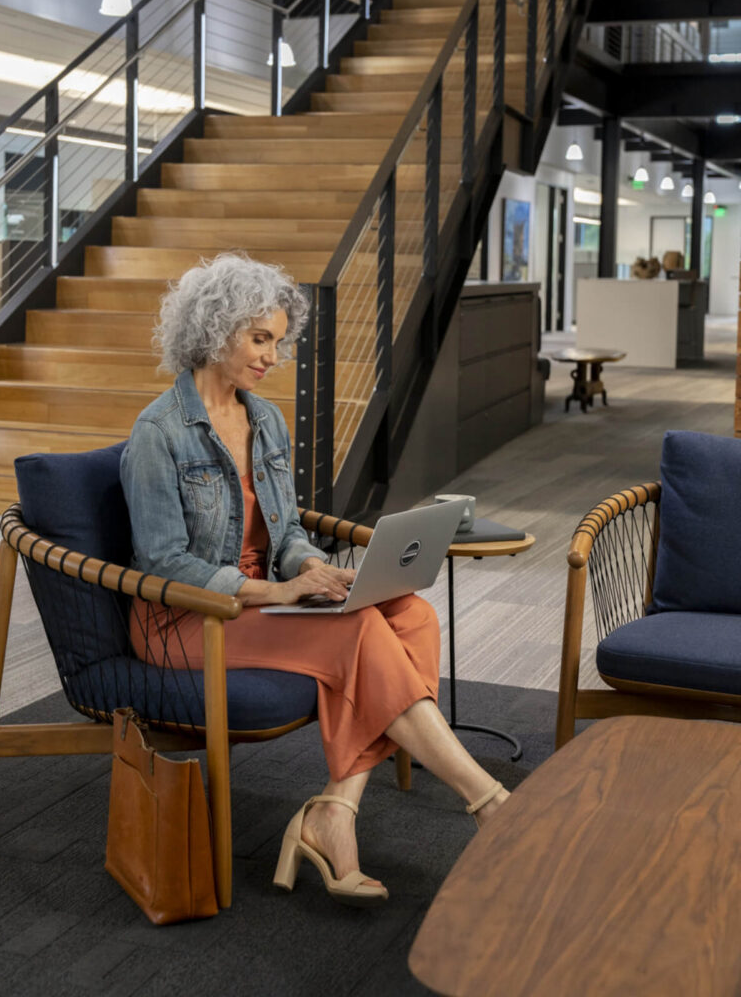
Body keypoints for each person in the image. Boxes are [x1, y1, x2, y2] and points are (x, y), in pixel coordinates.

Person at [121, 252, 509, 908]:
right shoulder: (158, 434)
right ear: (215, 331)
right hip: (185, 618)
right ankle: (487, 800)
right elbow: (163, 563)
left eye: (279, 340)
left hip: (257, 607)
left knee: (410, 614)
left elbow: (287, 527)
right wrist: (278, 593)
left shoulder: (265, 421)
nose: (274, 355)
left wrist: (306, 565)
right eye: (260, 338)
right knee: (355, 629)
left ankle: (335, 811)